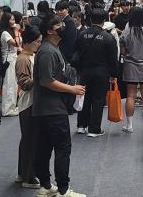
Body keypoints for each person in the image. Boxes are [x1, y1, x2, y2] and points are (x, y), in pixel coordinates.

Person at [33, 15, 87, 197]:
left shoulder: (53, 49)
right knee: (62, 148)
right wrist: (72, 89)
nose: (63, 26)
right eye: (58, 24)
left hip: (50, 107)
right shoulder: (47, 52)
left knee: (45, 147)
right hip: (52, 109)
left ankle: (46, 186)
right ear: (50, 31)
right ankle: (63, 190)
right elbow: (46, 81)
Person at [73, 9, 119, 137]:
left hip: (84, 72)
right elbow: (113, 59)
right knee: (98, 99)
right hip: (101, 72)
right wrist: (114, 75)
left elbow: (75, 52)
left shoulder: (81, 35)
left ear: (90, 20)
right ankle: (94, 129)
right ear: (104, 21)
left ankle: (81, 126)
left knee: (84, 97)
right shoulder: (108, 38)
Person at [119, 7, 143, 133]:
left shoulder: (126, 33)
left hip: (130, 67)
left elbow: (123, 52)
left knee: (130, 96)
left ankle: (129, 126)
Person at [16, 26, 43, 189]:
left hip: (31, 102)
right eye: (37, 42)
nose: (39, 45)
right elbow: (24, 84)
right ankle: (29, 177)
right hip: (28, 104)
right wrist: (40, 76)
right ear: (28, 42)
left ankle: (23, 173)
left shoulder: (30, 56)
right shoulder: (23, 59)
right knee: (31, 141)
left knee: (28, 140)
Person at [0, 11, 22, 117]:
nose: (14, 21)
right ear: (6, 21)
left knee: (14, 84)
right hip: (8, 60)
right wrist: (17, 31)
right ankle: (7, 109)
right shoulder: (5, 33)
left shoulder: (11, 31)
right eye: (12, 19)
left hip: (14, 59)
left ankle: (12, 107)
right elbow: (16, 43)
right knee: (9, 85)